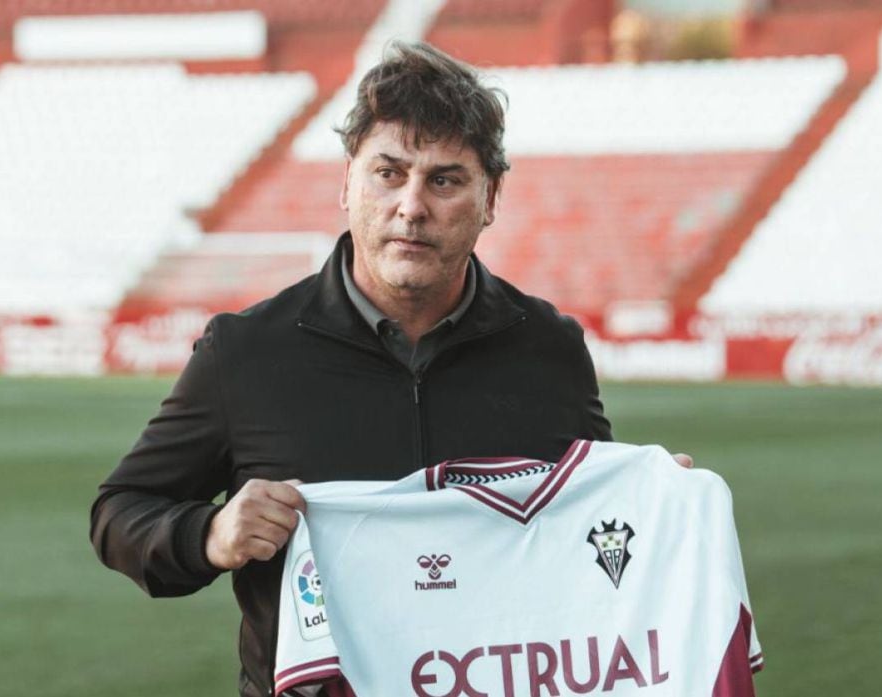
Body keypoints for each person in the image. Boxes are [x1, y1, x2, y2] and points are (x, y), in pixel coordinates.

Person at [90, 41, 691, 696]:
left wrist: (652, 505)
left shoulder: (549, 347)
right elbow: (120, 512)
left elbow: (591, 534)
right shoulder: (245, 352)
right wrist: (209, 533)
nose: (411, 205)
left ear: (490, 198)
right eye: (388, 172)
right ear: (346, 184)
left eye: (444, 179)